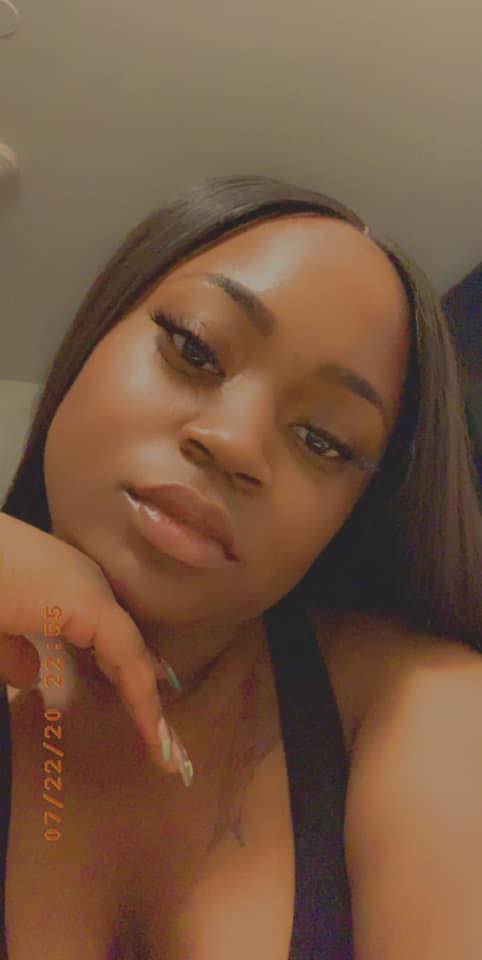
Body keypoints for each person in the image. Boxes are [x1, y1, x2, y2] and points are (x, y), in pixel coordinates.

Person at [0, 173, 481, 959]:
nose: (234, 442)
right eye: (193, 349)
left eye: (323, 440)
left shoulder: (422, 708)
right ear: (93, 339)